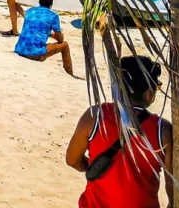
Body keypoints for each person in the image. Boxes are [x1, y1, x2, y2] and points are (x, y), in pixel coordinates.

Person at [66, 56, 172, 208]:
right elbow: (173, 193)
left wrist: (93, 167)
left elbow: (72, 160)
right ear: (149, 93)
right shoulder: (162, 131)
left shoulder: (94, 117)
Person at [14, 0, 74, 76]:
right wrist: (53, 35)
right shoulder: (53, 16)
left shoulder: (30, 11)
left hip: (20, 49)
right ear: (51, 4)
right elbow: (60, 39)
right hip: (35, 53)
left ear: (39, 1)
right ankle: (70, 73)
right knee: (65, 45)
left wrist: (16, 6)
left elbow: (27, 18)